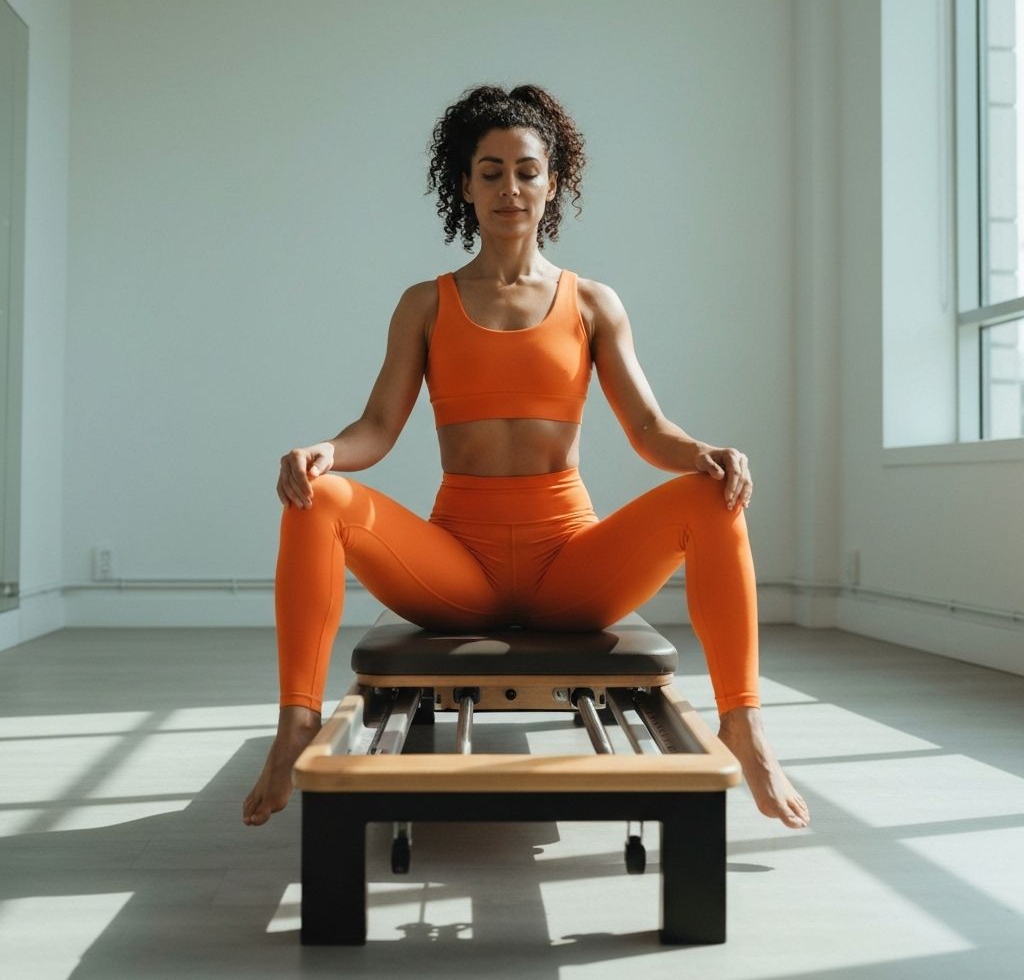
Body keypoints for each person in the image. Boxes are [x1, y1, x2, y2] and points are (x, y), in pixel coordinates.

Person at [243, 83, 810, 830]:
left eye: (526, 170)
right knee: (315, 496)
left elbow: (648, 428)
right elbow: (377, 428)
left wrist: (704, 452)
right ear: (465, 185)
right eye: (491, 172)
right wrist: (324, 452)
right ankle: (295, 723)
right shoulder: (425, 304)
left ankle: (744, 723)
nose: (509, 187)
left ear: (553, 182)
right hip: (457, 567)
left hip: (568, 563)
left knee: (713, 496)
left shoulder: (593, 303)